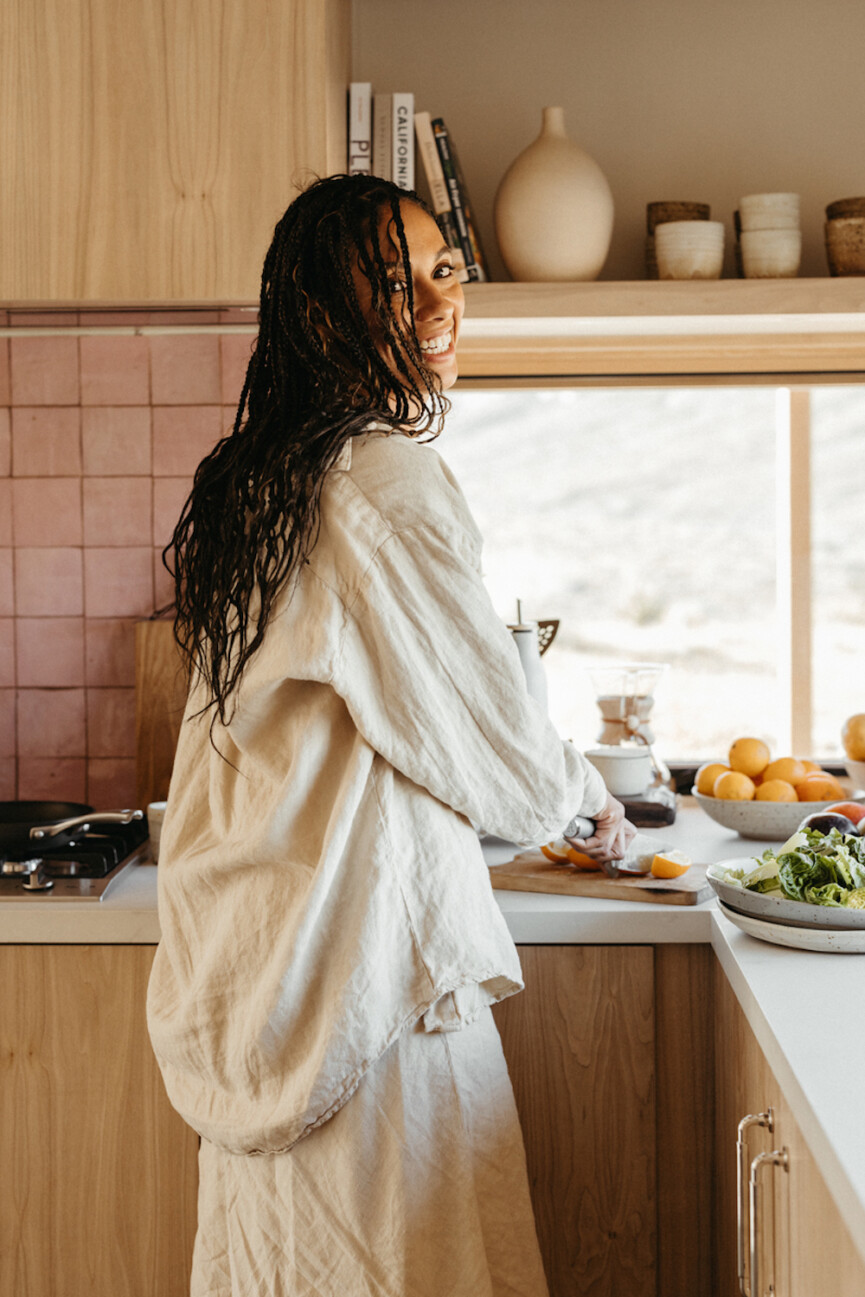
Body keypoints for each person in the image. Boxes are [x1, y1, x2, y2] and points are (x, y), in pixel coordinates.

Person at [147, 174, 635, 1297]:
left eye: (443, 270)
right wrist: (585, 804)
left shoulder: (259, 485)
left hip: (264, 977)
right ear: (325, 314)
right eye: (390, 281)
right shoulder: (380, 476)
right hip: (362, 996)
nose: (432, 304)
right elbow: (504, 763)